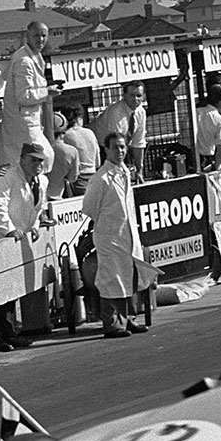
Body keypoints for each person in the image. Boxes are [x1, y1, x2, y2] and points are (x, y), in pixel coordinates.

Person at [79, 128, 154, 337]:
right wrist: (108, 226)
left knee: (128, 276)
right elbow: (90, 208)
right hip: (109, 236)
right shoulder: (100, 178)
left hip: (127, 234)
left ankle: (127, 318)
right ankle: (112, 324)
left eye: (123, 147)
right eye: (115, 148)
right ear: (106, 150)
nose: (120, 151)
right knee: (111, 279)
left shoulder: (125, 173)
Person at [0, 18, 56, 181]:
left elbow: (7, 76)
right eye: (36, 36)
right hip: (23, 122)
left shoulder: (31, 57)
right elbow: (23, 96)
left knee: (32, 161)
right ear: (27, 36)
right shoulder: (24, 61)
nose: (40, 40)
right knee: (44, 157)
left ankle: (32, 190)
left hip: (29, 120)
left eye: (44, 36)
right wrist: (48, 92)